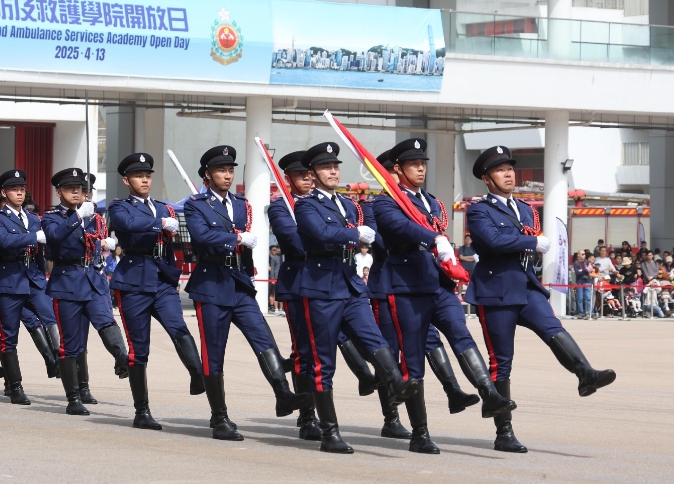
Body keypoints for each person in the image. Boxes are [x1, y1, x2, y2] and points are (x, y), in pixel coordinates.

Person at [467, 145, 616, 453]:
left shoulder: (525, 208)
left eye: (510, 168)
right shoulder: (478, 209)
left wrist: (530, 242)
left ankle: (585, 374)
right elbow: (492, 241)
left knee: (553, 328)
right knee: (502, 362)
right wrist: (531, 241)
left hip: (526, 286)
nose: (508, 173)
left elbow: (520, 240)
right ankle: (503, 431)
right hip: (496, 291)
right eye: (500, 169)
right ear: (486, 178)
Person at [373, 139, 515, 454]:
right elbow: (400, 228)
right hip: (405, 285)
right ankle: (420, 433)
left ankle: (488, 394)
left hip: (438, 284)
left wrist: (443, 249)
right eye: (413, 164)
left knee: (461, 334)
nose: (421, 169)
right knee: (413, 362)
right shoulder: (384, 202)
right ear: (398, 169)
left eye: (423, 163)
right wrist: (434, 238)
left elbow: (438, 230)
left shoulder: (434, 203)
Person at [292, 142, 419, 453]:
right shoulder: (306, 205)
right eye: (325, 167)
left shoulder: (349, 205)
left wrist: (366, 231)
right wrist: (354, 234)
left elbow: (369, 227)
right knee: (325, 363)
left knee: (374, 339)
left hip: (349, 283)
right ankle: (329, 433)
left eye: (335, 166)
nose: (333, 171)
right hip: (320, 287)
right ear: (313, 174)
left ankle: (396, 383)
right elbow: (321, 234)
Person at [184, 145, 309, 441]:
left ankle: (283, 395)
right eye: (220, 170)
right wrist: (237, 237)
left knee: (263, 340)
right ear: (207, 175)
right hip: (211, 283)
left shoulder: (241, 204)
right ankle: (219, 418)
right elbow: (202, 237)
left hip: (239, 283)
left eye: (230, 170)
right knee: (214, 353)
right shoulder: (196, 205)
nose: (227, 175)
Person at [108, 153, 206, 430]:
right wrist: (159, 224)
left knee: (179, 329)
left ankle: (197, 372)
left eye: (148, 175)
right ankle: (142, 411)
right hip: (133, 282)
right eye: (139, 176)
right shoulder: (120, 207)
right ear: (127, 180)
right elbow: (126, 225)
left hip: (162, 280)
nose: (145, 180)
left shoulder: (165, 207)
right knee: (139, 350)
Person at [42, 167, 129, 416]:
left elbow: (95, 240)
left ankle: (122, 357)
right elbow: (56, 237)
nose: (76, 193)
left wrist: (106, 243)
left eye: (80, 189)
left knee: (106, 321)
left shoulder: (93, 216)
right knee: (72, 344)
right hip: (67, 282)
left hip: (93, 279)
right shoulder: (52, 217)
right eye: (70, 189)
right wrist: (78, 217)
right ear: (59, 192)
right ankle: (74, 397)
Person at [0, 169, 48, 405]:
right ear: (4, 193)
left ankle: (56, 364)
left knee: (51, 320)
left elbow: (39, 254)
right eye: (14, 189)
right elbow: (4, 243)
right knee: (9, 336)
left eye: (22, 189)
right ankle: (15, 386)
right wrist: (34, 238)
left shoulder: (33, 219)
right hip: (7, 279)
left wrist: (42, 275)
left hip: (32, 278)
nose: (20, 192)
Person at [573, 250, 593, 319]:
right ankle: (580, 313)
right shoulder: (576, 263)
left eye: (584, 254)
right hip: (579, 282)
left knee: (588, 298)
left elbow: (590, 269)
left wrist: (582, 270)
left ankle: (588, 312)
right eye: (582, 254)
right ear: (578, 255)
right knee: (580, 298)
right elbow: (577, 273)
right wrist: (585, 269)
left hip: (587, 281)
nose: (584, 255)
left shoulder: (587, 262)